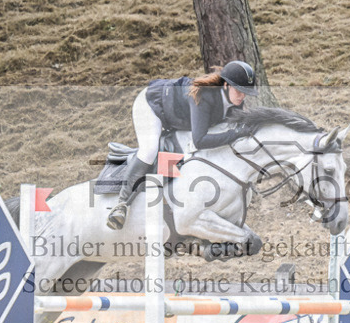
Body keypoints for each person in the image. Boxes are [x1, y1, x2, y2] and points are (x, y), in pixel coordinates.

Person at [106, 60, 259, 230]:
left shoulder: (235, 102)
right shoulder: (205, 95)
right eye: (239, 90)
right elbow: (199, 141)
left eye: (246, 92)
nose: (242, 96)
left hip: (180, 119)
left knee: (182, 154)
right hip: (153, 105)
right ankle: (121, 204)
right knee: (149, 150)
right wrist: (235, 134)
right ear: (225, 85)